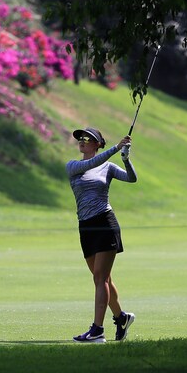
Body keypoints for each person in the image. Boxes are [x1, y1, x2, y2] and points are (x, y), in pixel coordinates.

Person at [67, 126, 138, 343]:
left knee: (100, 278)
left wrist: (125, 158)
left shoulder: (108, 167)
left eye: (88, 139)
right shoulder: (74, 166)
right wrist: (116, 148)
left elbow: (131, 178)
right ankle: (122, 317)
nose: (82, 141)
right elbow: (92, 164)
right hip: (85, 227)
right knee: (102, 278)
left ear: (98, 144)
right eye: (81, 138)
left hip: (105, 223)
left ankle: (97, 330)